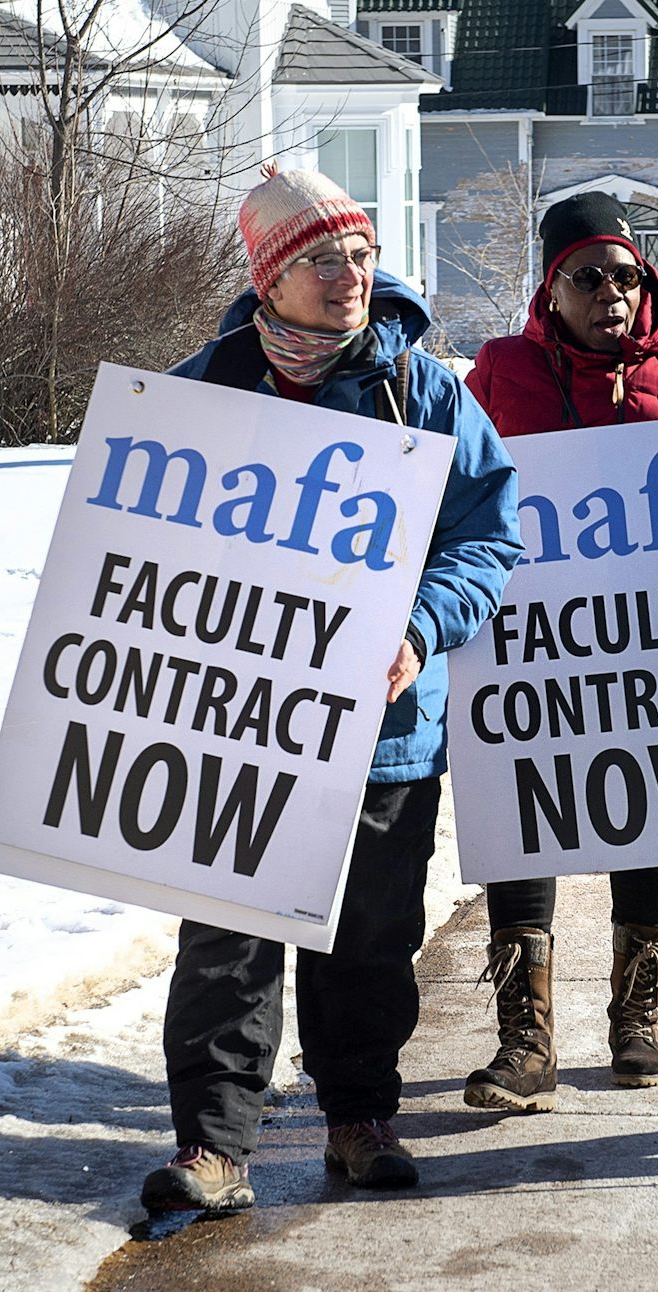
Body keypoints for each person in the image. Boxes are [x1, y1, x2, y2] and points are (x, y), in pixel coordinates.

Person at [139, 163, 521, 1213]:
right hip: (241, 721)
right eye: (321, 258)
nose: (350, 274)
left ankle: (359, 1119)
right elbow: (136, 550)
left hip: (387, 725)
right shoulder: (201, 390)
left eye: (360, 253)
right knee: (229, 932)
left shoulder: (427, 389)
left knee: (368, 938)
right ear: (269, 275)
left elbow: (490, 535)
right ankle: (212, 1150)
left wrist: (420, 625)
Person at [460, 192, 658, 1110]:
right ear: (551, 286)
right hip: (528, 643)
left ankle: (634, 1015)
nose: (610, 291)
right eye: (587, 276)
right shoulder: (500, 370)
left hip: (648, 643)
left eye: (626, 273)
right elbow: (455, 484)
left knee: (645, 797)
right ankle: (524, 1038)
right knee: (521, 807)